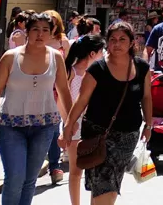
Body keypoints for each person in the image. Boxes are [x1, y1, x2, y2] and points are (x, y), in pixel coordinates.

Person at [0, 12, 73, 205]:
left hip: (45, 126)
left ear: (52, 34)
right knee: (15, 178)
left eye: (45, 30)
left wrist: (70, 124)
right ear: (27, 31)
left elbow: (64, 91)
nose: (40, 34)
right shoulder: (11, 57)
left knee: (29, 180)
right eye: (35, 29)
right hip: (11, 126)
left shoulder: (56, 57)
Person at [61, 22, 153, 205]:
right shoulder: (98, 69)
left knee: (105, 185)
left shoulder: (142, 67)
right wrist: (69, 124)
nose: (117, 44)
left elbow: (147, 97)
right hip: (99, 135)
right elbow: (81, 100)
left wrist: (149, 124)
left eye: (122, 39)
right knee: (106, 187)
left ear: (132, 42)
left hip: (128, 137)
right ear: (107, 42)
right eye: (112, 40)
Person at [63, 34, 106, 205]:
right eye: (101, 51)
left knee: (93, 170)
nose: (104, 54)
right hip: (74, 126)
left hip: (92, 126)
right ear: (93, 54)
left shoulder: (97, 73)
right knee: (76, 171)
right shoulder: (70, 72)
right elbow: (61, 100)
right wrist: (68, 123)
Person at [43, 10, 72, 185]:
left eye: (53, 21)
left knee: (54, 126)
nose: (50, 24)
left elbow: (66, 68)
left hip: (56, 89)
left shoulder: (63, 42)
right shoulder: (39, 39)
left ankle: (54, 165)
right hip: (39, 89)